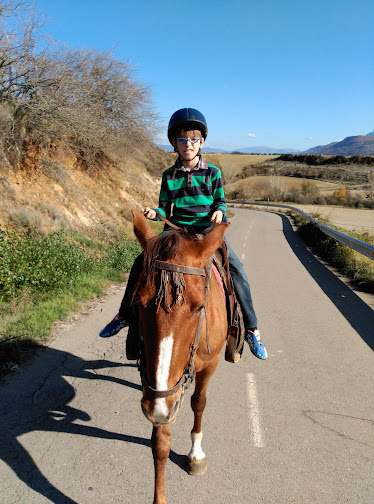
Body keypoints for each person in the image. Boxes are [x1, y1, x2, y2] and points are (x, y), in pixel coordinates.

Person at [99, 108, 268, 360]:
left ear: (201, 142)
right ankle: (124, 314)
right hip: (175, 232)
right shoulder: (169, 175)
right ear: (174, 144)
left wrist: (220, 213)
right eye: (182, 140)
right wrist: (155, 213)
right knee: (140, 263)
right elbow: (165, 207)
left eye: (193, 140)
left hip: (205, 233)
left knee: (237, 268)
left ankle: (252, 329)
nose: (188, 145)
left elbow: (220, 202)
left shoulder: (213, 173)